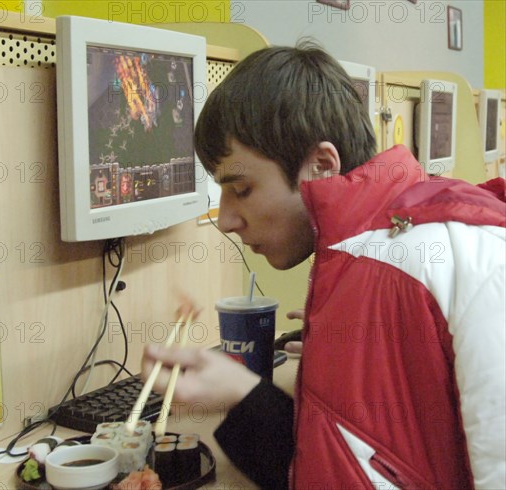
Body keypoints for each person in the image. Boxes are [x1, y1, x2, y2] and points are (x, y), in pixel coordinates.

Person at [142, 40, 506, 489]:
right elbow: (336, 464)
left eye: (242, 189)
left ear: (321, 166)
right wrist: (244, 392)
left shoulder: (463, 257)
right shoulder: (354, 258)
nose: (227, 220)